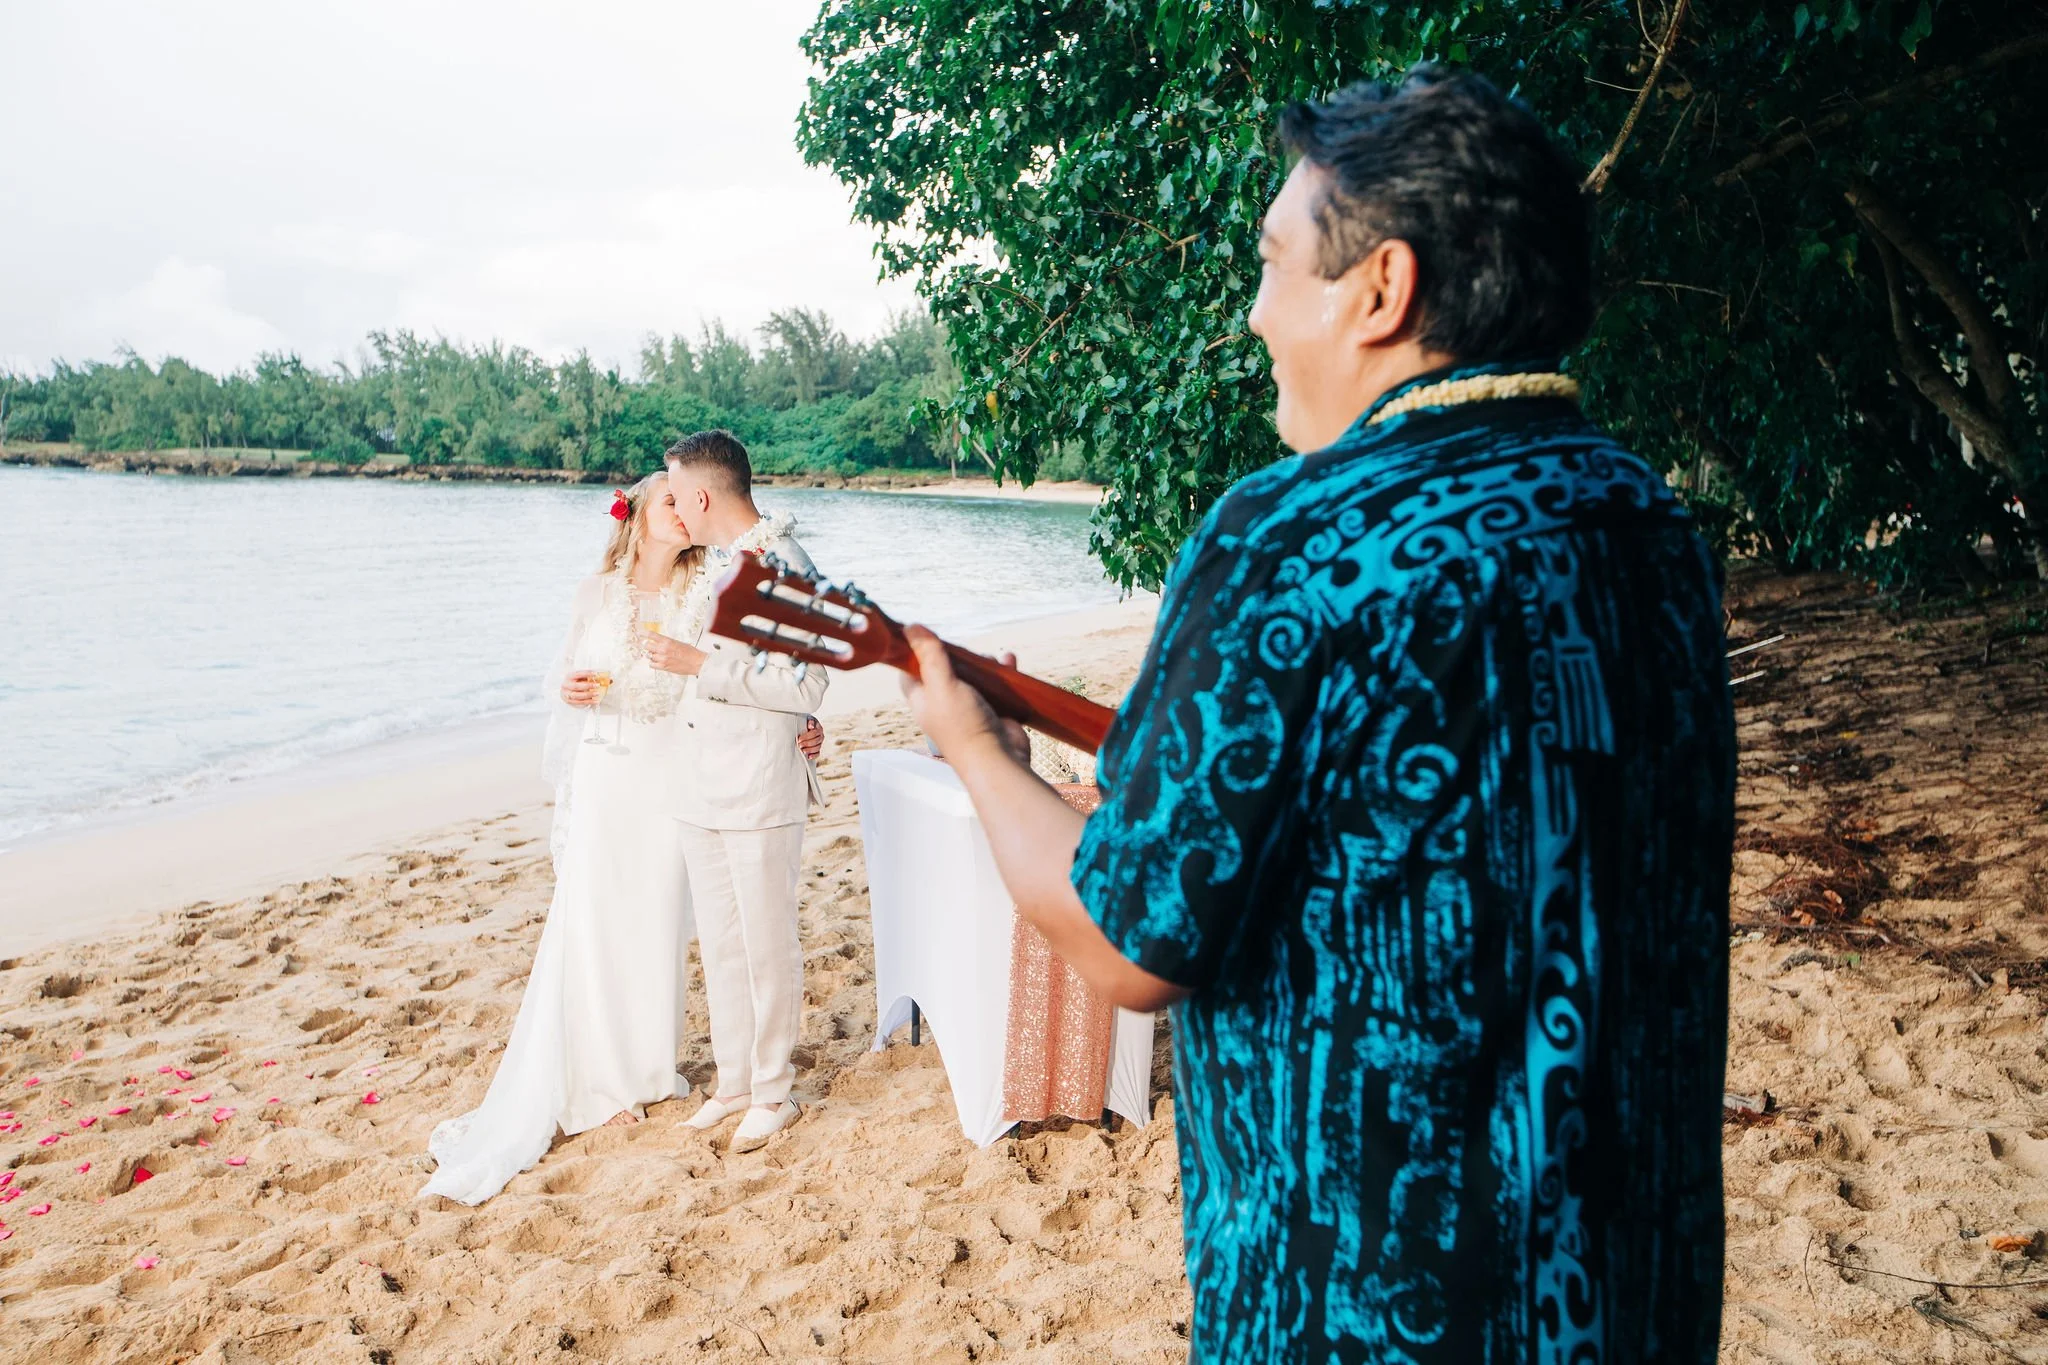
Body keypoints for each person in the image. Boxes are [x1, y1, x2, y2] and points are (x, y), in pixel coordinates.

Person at [900, 68, 1734, 1361]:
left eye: (1276, 266)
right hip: (1623, 1288)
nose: (1253, 316)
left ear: (1381, 290)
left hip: (1373, 1307)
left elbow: (1129, 939)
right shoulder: (1647, 525)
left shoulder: (1288, 540)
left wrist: (974, 749)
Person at [420, 473, 822, 1205]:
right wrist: (567, 691)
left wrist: (799, 727)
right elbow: (558, 676)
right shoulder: (595, 593)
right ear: (637, 515)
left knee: (659, 924)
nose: (683, 507)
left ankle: (645, 1070)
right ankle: (602, 1075)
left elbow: (748, 676)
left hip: (680, 774)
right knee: (598, 921)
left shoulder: (709, 586)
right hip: (611, 775)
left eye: (686, 496)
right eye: (667, 499)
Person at [649, 430, 830, 1153]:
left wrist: (700, 664)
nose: (674, 509)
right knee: (721, 942)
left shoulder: (789, 564)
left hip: (758, 785)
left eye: (676, 493)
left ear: (701, 494)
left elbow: (807, 684)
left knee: (765, 944)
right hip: (699, 781)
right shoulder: (711, 568)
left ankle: (775, 1089)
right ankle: (733, 1081)